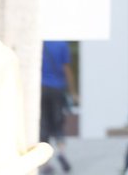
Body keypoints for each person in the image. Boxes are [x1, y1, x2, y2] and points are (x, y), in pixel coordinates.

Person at [39, 41, 78, 174]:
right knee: (58, 123)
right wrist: (73, 92)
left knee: (43, 126)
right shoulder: (62, 44)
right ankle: (61, 152)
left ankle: (46, 163)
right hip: (57, 89)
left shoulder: (40, 42)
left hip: (41, 88)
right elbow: (66, 69)